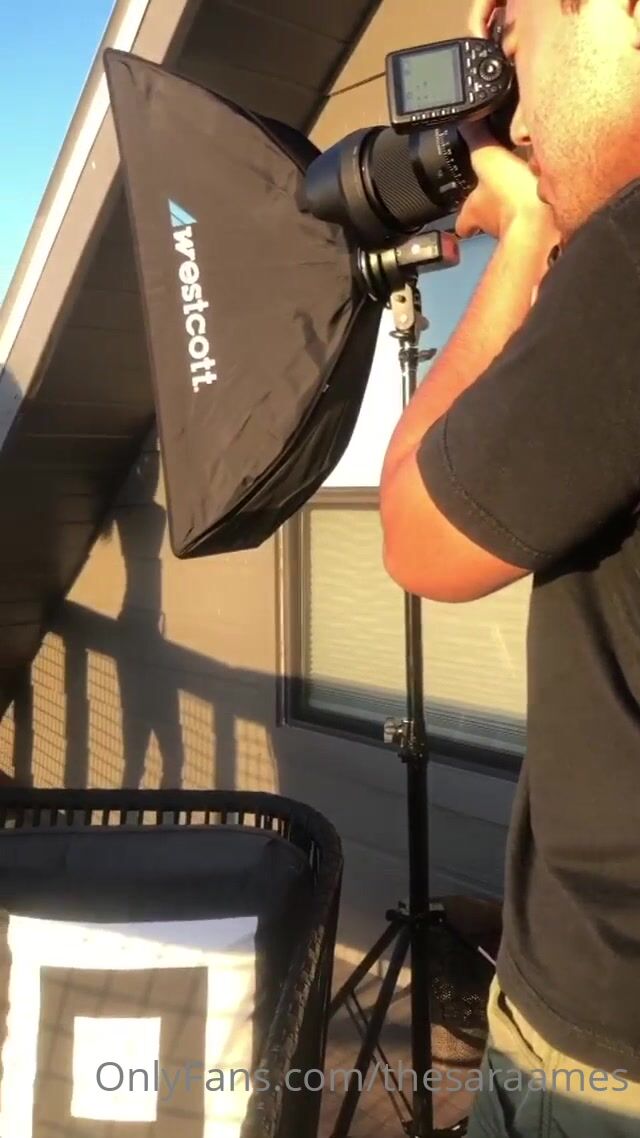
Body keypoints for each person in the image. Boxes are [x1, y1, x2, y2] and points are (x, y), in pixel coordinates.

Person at [379, 0, 640, 1134]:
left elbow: (420, 533)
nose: (519, 119)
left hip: (606, 1048)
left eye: (516, 37)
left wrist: (528, 232)